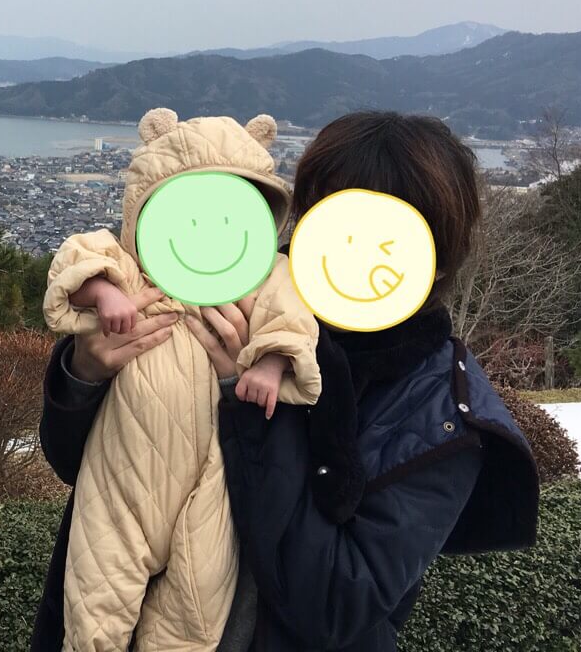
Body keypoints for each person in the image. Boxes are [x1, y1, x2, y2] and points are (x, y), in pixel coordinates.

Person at [32, 111, 539, 652]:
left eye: (385, 240)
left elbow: (333, 605)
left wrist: (247, 405)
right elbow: (84, 463)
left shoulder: (440, 414)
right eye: (330, 220)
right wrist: (85, 374)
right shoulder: (232, 276)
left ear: (436, 260)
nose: (349, 253)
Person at [43, 108, 321, 652]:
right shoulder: (133, 268)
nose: (208, 232)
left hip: (213, 476)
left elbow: (292, 321)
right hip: (123, 463)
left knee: (197, 601)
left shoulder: (269, 277)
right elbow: (77, 258)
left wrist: (268, 363)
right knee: (97, 592)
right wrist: (105, 293)